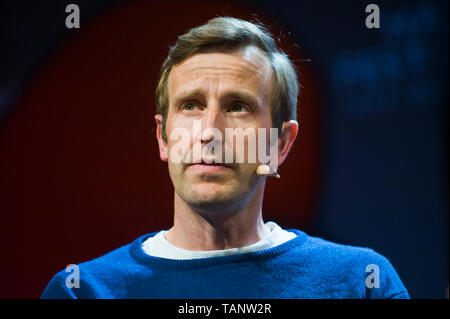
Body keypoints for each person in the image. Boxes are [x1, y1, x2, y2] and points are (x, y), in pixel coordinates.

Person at [41, 17, 409, 299]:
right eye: (190, 105)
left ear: (279, 144)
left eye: (237, 107)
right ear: (163, 137)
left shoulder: (361, 283)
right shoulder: (83, 291)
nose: (210, 131)